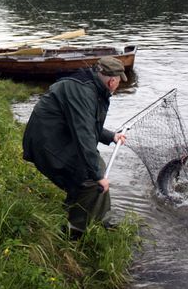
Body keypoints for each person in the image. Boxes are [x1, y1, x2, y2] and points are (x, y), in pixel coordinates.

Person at [22, 56, 128, 239]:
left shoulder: (91, 86)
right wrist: (98, 176)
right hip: (46, 143)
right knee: (92, 178)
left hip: (58, 136)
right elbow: (84, 135)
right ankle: (75, 231)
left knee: (97, 168)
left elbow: (87, 123)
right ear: (112, 81)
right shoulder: (84, 92)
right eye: (119, 81)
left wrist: (111, 136)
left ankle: (97, 217)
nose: (118, 85)